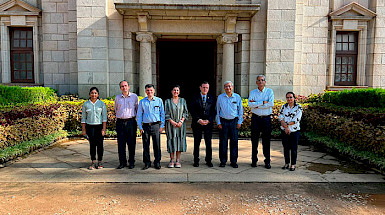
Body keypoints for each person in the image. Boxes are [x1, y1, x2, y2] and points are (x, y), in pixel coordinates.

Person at [248, 75, 274, 169]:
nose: (260, 82)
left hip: (266, 119)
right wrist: (263, 102)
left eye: (262, 80)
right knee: (254, 141)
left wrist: (257, 104)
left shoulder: (269, 91)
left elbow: (271, 103)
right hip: (256, 119)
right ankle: (254, 161)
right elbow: (250, 105)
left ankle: (267, 161)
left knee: (266, 141)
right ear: (256, 82)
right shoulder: (253, 92)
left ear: (265, 82)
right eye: (258, 80)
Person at [137, 84, 165, 170]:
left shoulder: (159, 100)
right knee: (146, 145)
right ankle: (147, 162)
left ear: (154, 91)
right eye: (148, 90)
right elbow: (139, 115)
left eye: (151, 90)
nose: (149, 92)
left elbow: (162, 114)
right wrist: (140, 127)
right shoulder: (142, 102)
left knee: (157, 145)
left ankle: (157, 162)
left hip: (156, 125)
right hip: (146, 126)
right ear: (145, 91)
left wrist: (162, 126)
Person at [216, 81, 243, 168]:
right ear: (224, 88)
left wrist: (239, 122)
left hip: (234, 122)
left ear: (232, 87)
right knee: (223, 142)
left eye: (230, 86)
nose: (228, 88)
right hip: (223, 122)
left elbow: (240, 111)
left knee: (234, 142)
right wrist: (218, 122)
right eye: (226, 87)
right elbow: (217, 110)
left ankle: (233, 161)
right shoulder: (220, 97)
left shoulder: (237, 97)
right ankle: (223, 161)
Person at [190, 81, 216, 167]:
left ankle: (209, 160)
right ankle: (196, 160)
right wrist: (198, 119)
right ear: (200, 88)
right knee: (197, 143)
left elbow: (213, 111)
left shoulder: (211, 98)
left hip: (208, 124)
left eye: (207, 88)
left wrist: (209, 120)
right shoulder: (194, 97)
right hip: (197, 123)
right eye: (204, 87)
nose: (205, 89)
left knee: (208, 143)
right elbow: (192, 110)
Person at [81, 87, 107, 170]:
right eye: (92, 93)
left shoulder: (101, 104)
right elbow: (83, 118)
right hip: (90, 126)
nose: (94, 95)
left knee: (100, 144)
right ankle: (93, 161)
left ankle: (100, 161)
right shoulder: (86, 104)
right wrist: (84, 130)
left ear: (98, 94)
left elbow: (104, 118)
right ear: (89, 94)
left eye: (95, 93)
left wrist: (103, 129)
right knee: (92, 144)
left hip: (99, 126)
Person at [115, 80, 139, 169]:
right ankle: (122, 162)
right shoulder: (117, 98)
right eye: (122, 86)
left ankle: (131, 162)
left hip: (131, 122)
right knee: (121, 143)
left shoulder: (134, 97)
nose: (124, 88)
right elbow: (116, 109)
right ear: (120, 88)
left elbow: (137, 109)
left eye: (125, 86)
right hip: (120, 122)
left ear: (129, 87)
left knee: (131, 143)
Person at [164, 85, 189, 168]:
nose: (176, 92)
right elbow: (166, 113)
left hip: (181, 125)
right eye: (174, 90)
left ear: (179, 92)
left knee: (179, 141)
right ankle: (171, 160)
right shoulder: (167, 101)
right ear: (171, 91)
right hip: (170, 125)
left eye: (177, 90)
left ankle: (178, 160)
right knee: (171, 141)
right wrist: (172, 121)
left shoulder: (183, 101)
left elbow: (186, 112)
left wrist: (181, 121)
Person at [279, 92, 303, 171]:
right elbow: (280, 117)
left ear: (294, 98)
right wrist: (285, 127)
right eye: (287, 97)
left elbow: (296, 119)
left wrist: (287, 125)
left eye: (290, 97)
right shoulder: (284, 106)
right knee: (286, 148)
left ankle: (293, 164)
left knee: (293, 148)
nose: (289, 99)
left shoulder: (298, 107)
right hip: (284, 130)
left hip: (294, 130)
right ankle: (286, 163)